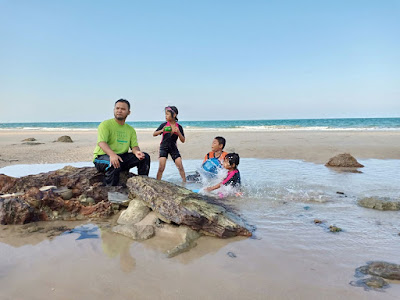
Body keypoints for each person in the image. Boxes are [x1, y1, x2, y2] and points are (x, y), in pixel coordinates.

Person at [93, 99, 150, 186]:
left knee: (145, 157)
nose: (119, 111)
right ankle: (111, 192)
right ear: (114, 110)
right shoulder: (105, 124)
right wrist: (112, 155)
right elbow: (102, 143)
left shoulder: (130, 129)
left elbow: (134, 146)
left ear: (128, 112)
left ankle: (143, 185)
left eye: (123, 109)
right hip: (102, 157)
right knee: (114, 162)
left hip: (121, 157)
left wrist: (137, 152)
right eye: (117, 108)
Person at [153, 106, 186, 182]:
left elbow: (183, 140)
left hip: (173, 148)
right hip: (163, 147)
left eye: (167, 114)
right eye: (165, 114)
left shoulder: (179, 127)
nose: (166, 116)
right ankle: (157, 182)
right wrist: (162, 130)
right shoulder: (164, 125)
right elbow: (154, 134)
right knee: (161, 167)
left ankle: (185, 183)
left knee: (180, 167)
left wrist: (178, 133)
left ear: (174, 115)